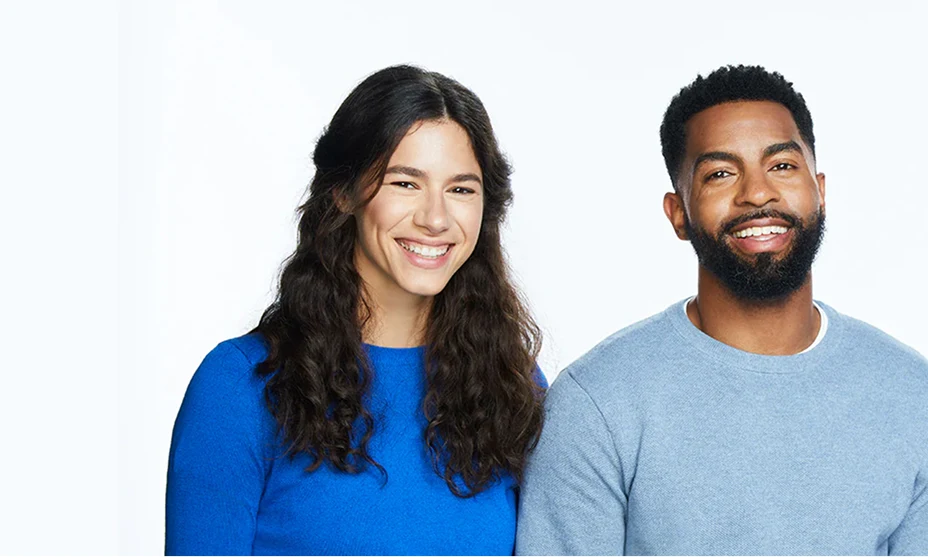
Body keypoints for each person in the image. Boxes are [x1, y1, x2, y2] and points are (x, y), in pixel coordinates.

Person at [516, 65, 928, 555]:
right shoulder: (597, 404)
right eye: (720, 174)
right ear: (678, 213)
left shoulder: (911, 395)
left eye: (781, 166)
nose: (757, 192)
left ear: (820, 189)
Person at [166, 65, 545, 555]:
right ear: (343, 193)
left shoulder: (513, 385)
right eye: (405, 183)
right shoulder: (242, 386)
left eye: (461, 189)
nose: (435, 218)